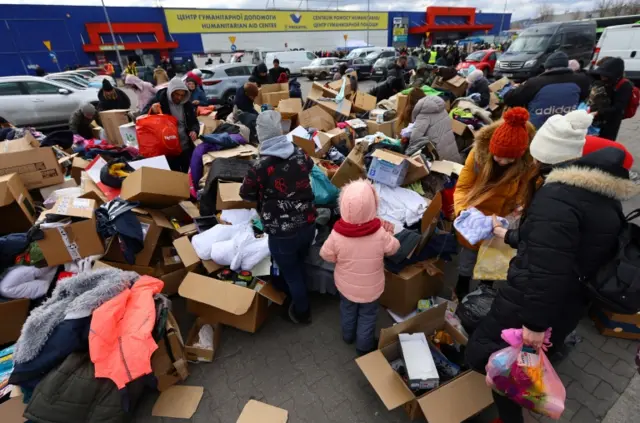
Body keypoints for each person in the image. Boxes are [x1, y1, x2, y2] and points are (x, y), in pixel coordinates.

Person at [466, 110, 637, 423]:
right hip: (569, 301)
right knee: (526, 361)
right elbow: (558, 244)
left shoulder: (556, 198)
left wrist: (533, 324)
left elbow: (546, 269)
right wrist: (511, 235)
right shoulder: (598, 190)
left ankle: (509, 415)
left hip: (534, 305)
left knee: (489, 356)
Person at [239, 111, 316, 324]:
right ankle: (302, 296)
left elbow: (245, 194)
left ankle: (302, 312)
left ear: (262, 135)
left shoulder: (259, 166)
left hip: (282, 232)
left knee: (290, 271)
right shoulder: (300, 153)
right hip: (308, 223)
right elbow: (309, 169)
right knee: (299, 263)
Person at [453, 108, 536, 299]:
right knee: (468, 259)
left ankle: (485, 292)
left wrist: (519, 205)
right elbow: (463, 187)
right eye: (499, 156)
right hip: (475, 217)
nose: (503, 161)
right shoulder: (477, 156)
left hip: (502, 220)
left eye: (510, 158)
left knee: (492, 262)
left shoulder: (527, 164)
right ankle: (461, 287)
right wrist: (463, 212)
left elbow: (525, 188)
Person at [319, 179, 400, 355]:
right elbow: (394, 248)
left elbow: (325, 254)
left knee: (347, 309)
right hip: (372, 288)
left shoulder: (337, 233)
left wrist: (337, 258)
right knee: (368, 316)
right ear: (374, 204)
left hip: (345, 285)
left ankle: (347, 336)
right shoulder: (379, 233)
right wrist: (389, 232)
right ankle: (363, 347)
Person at [504, 52, 590, 128]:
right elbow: (583, 98)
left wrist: (515, 87)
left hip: (538, 130)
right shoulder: (582, 80)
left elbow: (509, 99)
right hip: (567, 128)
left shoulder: (535, 82)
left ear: (547, 67)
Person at [142, 77, 199, 173]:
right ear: (170, 91)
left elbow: (194, 122)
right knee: (174, 175)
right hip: (167, 149)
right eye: (176, 94)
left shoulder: (186, 104)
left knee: (189, 174)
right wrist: (152, 111)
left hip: (185, 146)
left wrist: (194, 131)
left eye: (182, 95)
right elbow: (141, 117)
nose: (179, 98)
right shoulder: (158, 100)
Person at [590, 57, 635, 141]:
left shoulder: (625, 86)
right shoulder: (607, 82)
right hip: (599, 118)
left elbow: (618, 107)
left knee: (605, 142)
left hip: (611, 121)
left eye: (604, 75)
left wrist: (599, 112)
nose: (602, 77)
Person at [408, 96, 461, 163]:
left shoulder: (423, 116)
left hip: (438, 153)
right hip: (450, 147)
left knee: (442, 168)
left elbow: (415, 137)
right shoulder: (442, 110)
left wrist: (408, 151)